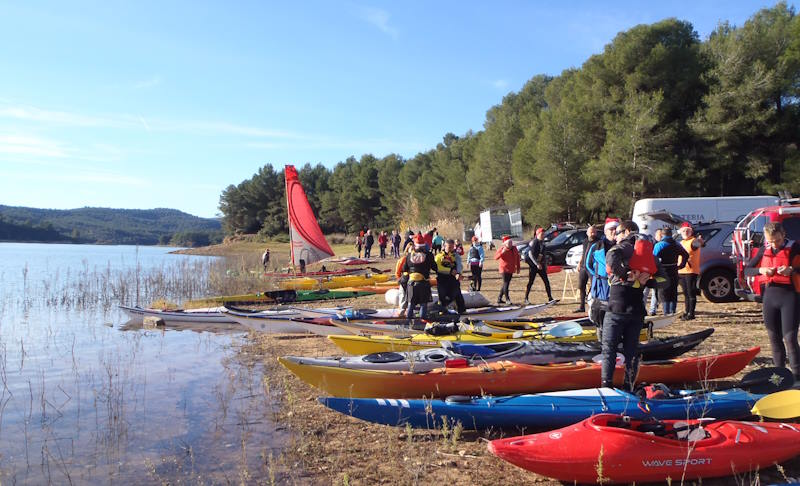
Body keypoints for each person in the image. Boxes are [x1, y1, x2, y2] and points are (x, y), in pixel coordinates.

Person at [601, 220, 666, 391]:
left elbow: (611, 256)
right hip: (636, 312)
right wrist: (647, 281)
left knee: (609, 349)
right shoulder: (649, 255)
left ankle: (607, 387)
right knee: (632, 352)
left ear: (627, 232)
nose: (615, 236)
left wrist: (625, 275)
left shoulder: (624, 247)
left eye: (618, 232)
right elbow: (665, 281)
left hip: (616, 310)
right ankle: (628, 387)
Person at [745, 222, 800, 379]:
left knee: (790, 338)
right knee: (774, 338)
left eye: (777, 240)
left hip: (790, 296)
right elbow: (748, 269)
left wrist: (792, 269)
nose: (774, 244)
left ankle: (797, 377)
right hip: (770, 296)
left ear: (783, 235)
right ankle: (779, 376)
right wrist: (761, 270)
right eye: (770, 241)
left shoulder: (795, 247)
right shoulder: (764, 249)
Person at [586, 218, 620, 335]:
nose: (614, 231)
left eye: (616, 229)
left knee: (615, 314)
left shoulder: (622, 246)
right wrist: (599, 275)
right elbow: (588, 264)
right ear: (605, 231)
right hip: (601, 286)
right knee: (600, 315)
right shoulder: (597, 246)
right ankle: (601, 336)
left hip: (617, 285)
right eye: (611, 229)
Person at [653, 227, 688, 315]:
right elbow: (685, 254)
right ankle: (673, 311)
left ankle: (666, 312)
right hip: (674, 269)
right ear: (671, 234)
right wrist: (682, 265)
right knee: (673, 291)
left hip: (663, 270)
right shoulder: (677, 244)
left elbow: (653, 258)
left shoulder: (659, 245)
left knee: (664, 292)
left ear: (662, 235)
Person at [403, 234, 436, 320]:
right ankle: (422, 320)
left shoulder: (409, 255)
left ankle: (408, 321)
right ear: (424, 245)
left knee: (411, 303)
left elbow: (404, 269)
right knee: (423, 303)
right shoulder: (429, 255)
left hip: (411, 283)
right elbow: (435, 267)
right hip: (423, 283)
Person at [677, 222, 704, 320]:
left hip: (691, 271)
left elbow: (699, 244)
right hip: (681, 271)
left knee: (691, 292)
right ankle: (686, 311)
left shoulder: (693, 241)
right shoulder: (681, 242)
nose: (685, 232)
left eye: (688, 231)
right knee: (685, 293)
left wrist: (700, 241)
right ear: (680, 232)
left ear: (691, 232)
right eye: (684, 231)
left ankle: (691, 314)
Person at [435, 239, 467, 314]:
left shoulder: (456, 256)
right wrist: (450, 271)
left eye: (452, 247)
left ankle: (462, 311)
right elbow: (437, 268)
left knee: (457, 294)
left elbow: (459, 265)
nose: (451, 249)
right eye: (449, 247)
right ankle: (441, 311)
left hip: (453, 280)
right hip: (442, 280)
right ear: (444, 246)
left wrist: (458, 273)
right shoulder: (439, 256)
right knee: (443, 297)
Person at [524, 228, 554, 304]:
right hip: (533, 265)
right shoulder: (534, 242)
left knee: (546, 281)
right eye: (542, 234)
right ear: (537, 234)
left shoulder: (543, 243)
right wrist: (537, 264)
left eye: (544, 234)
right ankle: (526, 298)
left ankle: (550, 298)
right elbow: (530, 254)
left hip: (541, 265)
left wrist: (545, 265)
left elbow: (543, 254)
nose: (543, 235)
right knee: (531, 282)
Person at [575, 225, 600, 313]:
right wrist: (579, 263)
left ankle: (592, 303)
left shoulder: (599, 242)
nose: (592, 234)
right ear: (587, 233)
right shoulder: (585, 241)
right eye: (591, 232)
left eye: (594, 232)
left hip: (592, 268)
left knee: (594, 286)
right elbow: (583, 253)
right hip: (583, 267)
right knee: (581, 286)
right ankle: (582, 306)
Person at [495, 235, 520, 305]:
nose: (510, 244)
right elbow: (496, 257)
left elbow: (517, 258)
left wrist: (518, 267)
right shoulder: (502, 249)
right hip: (504, 269)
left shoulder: (514, 248)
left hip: (511, 269)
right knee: (506, 283)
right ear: (505, 244)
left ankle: (499, 298)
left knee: (505, 284)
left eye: (511, 242)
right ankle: (507, 299)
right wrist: (502, 253)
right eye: (509, 243)